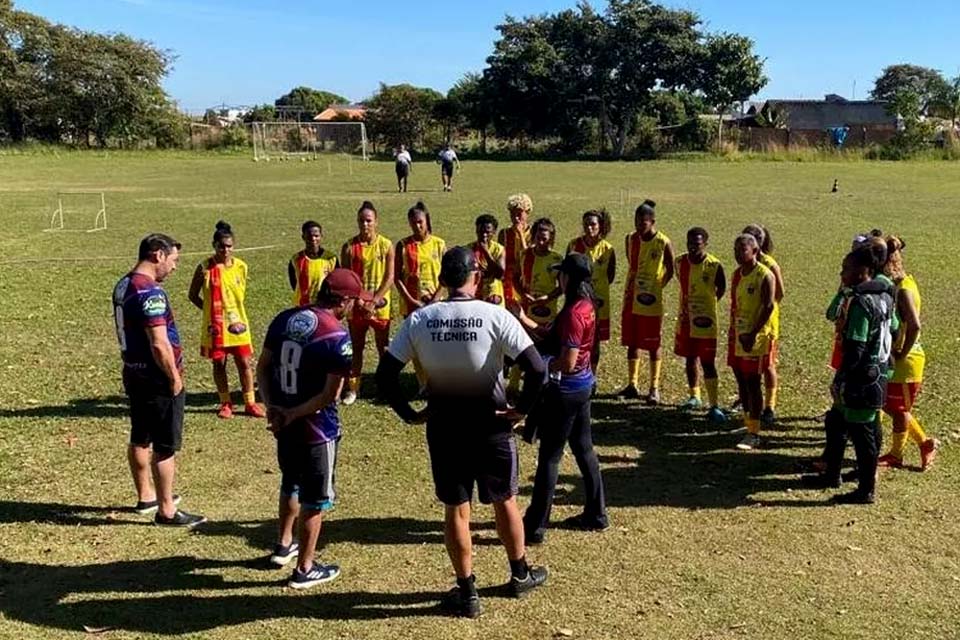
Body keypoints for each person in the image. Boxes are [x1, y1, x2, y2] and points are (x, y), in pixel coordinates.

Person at [376, 246, 549, 618]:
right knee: (505, 500)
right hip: (492, 428)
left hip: (445, 428)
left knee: (456, 508)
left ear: (442, 280)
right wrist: (521, 410)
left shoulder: (422, 319)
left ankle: (467, 590)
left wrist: (408, 413)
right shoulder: (494, 315)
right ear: (476, 277)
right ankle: (520, 573)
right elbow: (537, 369)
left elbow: (385, 374)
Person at [257, 269, 372, 588]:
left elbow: (263, 367)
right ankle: (305, 568)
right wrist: (294, 413)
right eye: (353, 301)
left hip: (283, 422)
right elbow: (329, 395)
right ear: (344, 301)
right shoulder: (336, 336)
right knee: (315, 498)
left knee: (290, 482)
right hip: (316, 430)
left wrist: (274, 407)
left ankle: (283, 545)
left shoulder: (284, 319)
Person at [112, 233, 205, 527]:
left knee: (140, 435)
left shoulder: (123, 284)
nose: (175, 267)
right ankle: (166, 510)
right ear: (157, 255)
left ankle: (146, 496)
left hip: (133, 372)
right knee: (165, 445)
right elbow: (159, 343)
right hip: (157, 377)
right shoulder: (149, 292)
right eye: (173, 260)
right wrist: (174, 377)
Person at [523, 253, 608, 544]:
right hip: (584, 386)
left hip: (566, 390)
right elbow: (554, 337)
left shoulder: (573, 313)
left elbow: (567, 360)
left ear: (568, 278)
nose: (557, 278)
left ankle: (535, 525)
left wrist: (543, 367)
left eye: (561, 274)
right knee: (585, 450)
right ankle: (597, 513)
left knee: (550, 457)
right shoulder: (586, 305)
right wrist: (524, 320)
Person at [803, 246, 897, 504]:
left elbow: (856, 346)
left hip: (862, 378)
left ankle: (866, 489)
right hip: (878, 374)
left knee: (863, 433)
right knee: (835, 421)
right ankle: (832, 474)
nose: (842, 273)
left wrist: (841, 379)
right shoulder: (886, 297)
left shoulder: (861, 303)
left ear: (862, 271)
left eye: (846, 268)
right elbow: (896, 330)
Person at [188, 221, 265, 419]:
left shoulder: (241, 267)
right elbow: (193, 295)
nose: (225, 250)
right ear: (214, 245)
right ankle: (226, 403)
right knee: (219, 364)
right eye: (221, 246)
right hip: (215, 326)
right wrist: (208, 313)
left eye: (229, 246)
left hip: (238, 324)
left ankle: (250, 402)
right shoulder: (204, 268)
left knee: (244, 363)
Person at [878, 236, 938, 470]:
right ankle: (925, 443)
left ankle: (897, 454)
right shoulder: (904, 282)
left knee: (899, 410)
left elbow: (914, 325)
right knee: (889, 405)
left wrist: (902, 352)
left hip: (908, 360)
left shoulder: (903, 290)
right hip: (899, 357)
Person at [619, 200, 674, 405]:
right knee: (632, 341)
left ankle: (654, 387)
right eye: (636, 222)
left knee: (653, 342)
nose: (639, 226)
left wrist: (658, 286)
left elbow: (671, 268)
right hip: (631, 296)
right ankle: (632, 384)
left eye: (643, 223)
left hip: (651, 300)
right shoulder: (630, 239)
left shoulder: (663, 242)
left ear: (652, 222)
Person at [340, 201, 394, 406]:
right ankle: (353, 388)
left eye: (368, 220)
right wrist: (360, 300)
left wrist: (375, 299)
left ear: (376, 222)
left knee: (384, 348)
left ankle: (385, 387)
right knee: (356, 347)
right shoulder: (349, 247)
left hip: (380, 306)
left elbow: (389, 277)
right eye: (361, 221)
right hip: (357, 306)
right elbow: (346, 278)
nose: (365, 225)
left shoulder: (386, 245)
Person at [728, 234, 776, 450]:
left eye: (743, 251)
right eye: (736, 250)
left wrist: (752, 333)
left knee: (752, 381)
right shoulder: (737, 274)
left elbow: (768, 307)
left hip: (755, 338)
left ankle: (754, 433)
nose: (738, 255)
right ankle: (748, 423)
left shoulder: (765, 275)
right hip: (738, 334)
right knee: (740, 379)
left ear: (755, 251)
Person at [674, 227, 727, 423]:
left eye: (696, 244)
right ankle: (694, 395)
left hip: (706, 322)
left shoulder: (714, 265)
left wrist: (707, 306)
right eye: (689, 243)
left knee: (708, 362)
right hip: (686, 320)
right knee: (689, 358)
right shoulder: (680, 262)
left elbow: (721, 288)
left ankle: (714, 405)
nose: (692, 248)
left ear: (705, 244)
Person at [396, 201, 446, 391]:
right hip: (412, 303)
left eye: (420, 222)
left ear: (427, 221)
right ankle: (423, 382)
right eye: (413, 223)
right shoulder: (403, 245)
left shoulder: (439, 244)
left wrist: (435, 299)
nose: (417, 226)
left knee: (436, 342)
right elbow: (397, 277)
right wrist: (410, 299)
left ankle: (438, 379)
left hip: (435, 302)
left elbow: (445, 276)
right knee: (417, 344)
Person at [742, 224, 784, 427]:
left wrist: (766, 309)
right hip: (747, 322)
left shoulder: (769, 264)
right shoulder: (745, 267)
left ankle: (770, 406)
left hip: (767, 324)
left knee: (767, 366)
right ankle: (751, 399)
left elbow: (780, 294)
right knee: (748, 368)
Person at [567, 210, 616, 374]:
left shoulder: (608, 249)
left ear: (600, 226)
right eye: (586, 224)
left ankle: (592, 375)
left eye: (593, 224)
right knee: (575, 337)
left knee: (595, 340)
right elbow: (566, 272)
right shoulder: (574, 245)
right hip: (577, 300)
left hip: (599, 302)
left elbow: (610, 276)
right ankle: (575, 369)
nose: (589, 228)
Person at [500, 193, 533, 396]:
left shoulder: (533, 232)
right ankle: (505, 364)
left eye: (519, 213)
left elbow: (529, 258)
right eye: (512, 213)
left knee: (523, 329)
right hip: (507, 284)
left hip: (526, 285)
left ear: (527, 213)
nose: (516, 217)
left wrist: (521, 235)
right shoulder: (504, 234)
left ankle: (517, 371)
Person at [518, 217, 564, 327]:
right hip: (526, 310)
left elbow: (563, 286)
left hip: (548, 311)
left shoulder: (557, 259)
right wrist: (523, 294)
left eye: (544, 239)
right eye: (538, 238)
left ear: (551, 238)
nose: (541, 242)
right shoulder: (524, 255)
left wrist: (548, 298)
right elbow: (515, 277)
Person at [288, 220, 339, 308]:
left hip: (323, 307)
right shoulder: (296, 259)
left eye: (316, 236)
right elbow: (294, 283)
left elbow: (336, 283)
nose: (313, 239)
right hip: (301, 307)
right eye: (309, 236)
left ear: (321, 236)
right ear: (303, 237)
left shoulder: (331, 259)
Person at [472, 213, 506, 306]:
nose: (484, 235)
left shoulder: (499, 249)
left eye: (487, 232)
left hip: (493, 296)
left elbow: (500, 274)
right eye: (480, 231)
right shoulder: (469, 249)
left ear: (494, 232)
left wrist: (486, 252)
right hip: (475, 295)